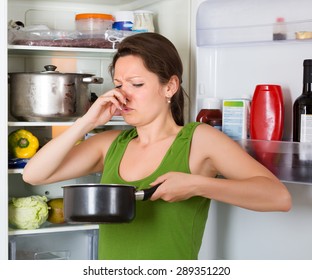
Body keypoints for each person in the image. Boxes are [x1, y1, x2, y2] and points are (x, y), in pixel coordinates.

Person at [23, 32, 292, 260]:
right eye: (118, 85)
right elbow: (34, 174)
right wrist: (85, 122)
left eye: (137, 84)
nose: (123, 95)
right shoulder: (111, 144)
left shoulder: (199, 140)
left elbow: (278, 197)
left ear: (170, 87)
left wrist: (197, 185)